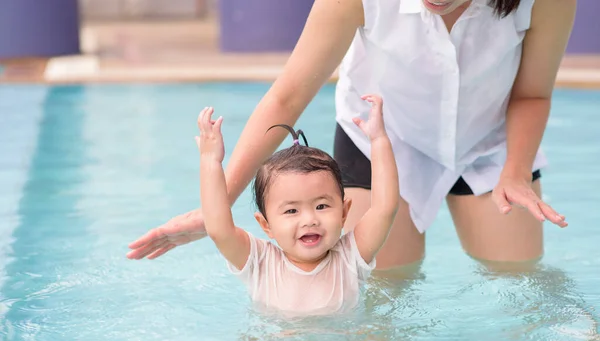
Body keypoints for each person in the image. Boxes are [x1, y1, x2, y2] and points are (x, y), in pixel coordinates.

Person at [127, 0, 575, 269]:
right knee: (373, 305)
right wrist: (218, 203)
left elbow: (532, 94)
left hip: (490, 144)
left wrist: (516, 172)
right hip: (380, 139)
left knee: (522, 283)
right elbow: (288, 96)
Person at [196, 94, 399, 315]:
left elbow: (384, 208)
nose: (309, 220)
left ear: (344, 213)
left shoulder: (351, 258)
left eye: (321, 206)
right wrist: (210, 161)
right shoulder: (260, 262)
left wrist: (379, 141)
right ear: (266, 225)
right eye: (292, 210)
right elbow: (218, 230)